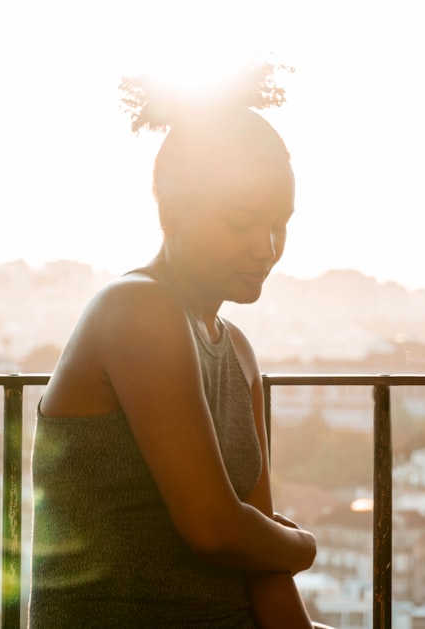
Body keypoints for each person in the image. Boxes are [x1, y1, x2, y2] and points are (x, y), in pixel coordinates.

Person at [29, 66, 325, 628]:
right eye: (242, 222)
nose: (266, 248)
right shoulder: (137, 310)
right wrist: (304, 545)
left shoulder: (236, 350)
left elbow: (258, 558)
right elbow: (215, 531)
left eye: (279, 224)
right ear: (171, 213)